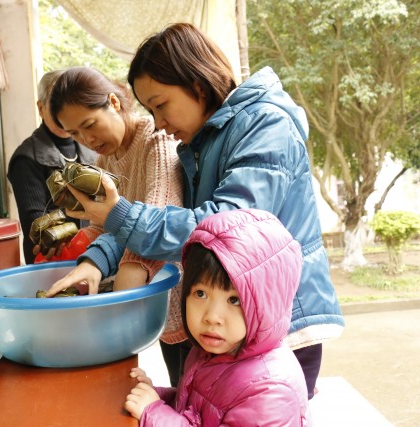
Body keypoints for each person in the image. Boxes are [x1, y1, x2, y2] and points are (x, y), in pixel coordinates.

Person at [46, 23, 344, 398]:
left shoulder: (265, 125)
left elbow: (227, 229)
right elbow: (160, 215)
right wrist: (97, 258)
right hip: (230, 322)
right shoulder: (200, 143)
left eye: (160, 105)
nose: (159, 123)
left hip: (281, 327)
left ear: (197, 85)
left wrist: (117, 215)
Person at [124, 209, 310, 426]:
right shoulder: (213, 349)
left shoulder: (270, 390)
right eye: (200, 294)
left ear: (268, 304)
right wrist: (155, 395)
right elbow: (199, 406)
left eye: (234, 300)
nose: (212, 317)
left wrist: (153, 412)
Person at [47, 66, 184, 301]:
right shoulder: (104, 161)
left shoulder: (157, 141)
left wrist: (100, 261)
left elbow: (155, 223)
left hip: (171, 293)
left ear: (113, 102)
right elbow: (105, 226)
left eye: (90, 125)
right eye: (74, 134)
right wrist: (71, 243)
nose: (87, 140)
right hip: (139, 296)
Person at [7, 69, 97, 264]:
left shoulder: (92, 148)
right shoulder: (27, 157)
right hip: (51, 261)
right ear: (41, 108)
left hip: (94, 256)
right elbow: (35, 221)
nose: (62, 114)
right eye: (55, 107)